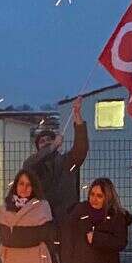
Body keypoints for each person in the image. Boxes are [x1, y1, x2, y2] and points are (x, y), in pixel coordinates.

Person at [23, 96, 89, 233]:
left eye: (50, 139)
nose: (46, 142)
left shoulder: (67, 161)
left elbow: (81, 148)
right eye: (42, 141)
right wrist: (52, 146)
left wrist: (77, 115)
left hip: (67, 222)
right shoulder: (33, 166)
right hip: (42, 222)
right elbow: (28, 165)